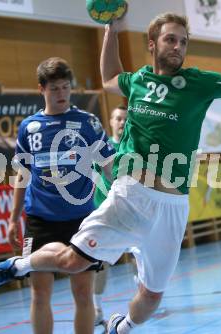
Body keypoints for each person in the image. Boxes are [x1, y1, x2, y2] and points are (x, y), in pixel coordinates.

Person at [0, 12, 221, 334]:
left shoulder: (199, 82)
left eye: (183, 41)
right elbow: (109, 76)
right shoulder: (138, 81)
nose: (178, 46)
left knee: (151, 298)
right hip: (131, 194)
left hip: (173, 207)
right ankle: (18, 265)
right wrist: (111, 30)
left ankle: (122, 326)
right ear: (153, 44)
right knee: (72, 261)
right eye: (170, 39)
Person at [6, 57, 114, 334]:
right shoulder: (29, 128)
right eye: (55, 88)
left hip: (80, 219)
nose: (62, 94)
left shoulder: (87, 122)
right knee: (40, 294)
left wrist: (122, 201)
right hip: (40, 221)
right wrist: (13, 217)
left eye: (66, 87)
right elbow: (22, 174)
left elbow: (108, 166)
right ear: (41, 89)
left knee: (82, 293)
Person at [92, 104, 127, 327]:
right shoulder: (103, 147)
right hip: (105, 209)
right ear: (111, 123)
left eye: (125, 119)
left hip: (131, 209)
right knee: (101, 260)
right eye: (118, 118)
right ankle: (96, 306)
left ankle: (144, 289)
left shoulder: (135, 147)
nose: (122, 122)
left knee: (139, 252)